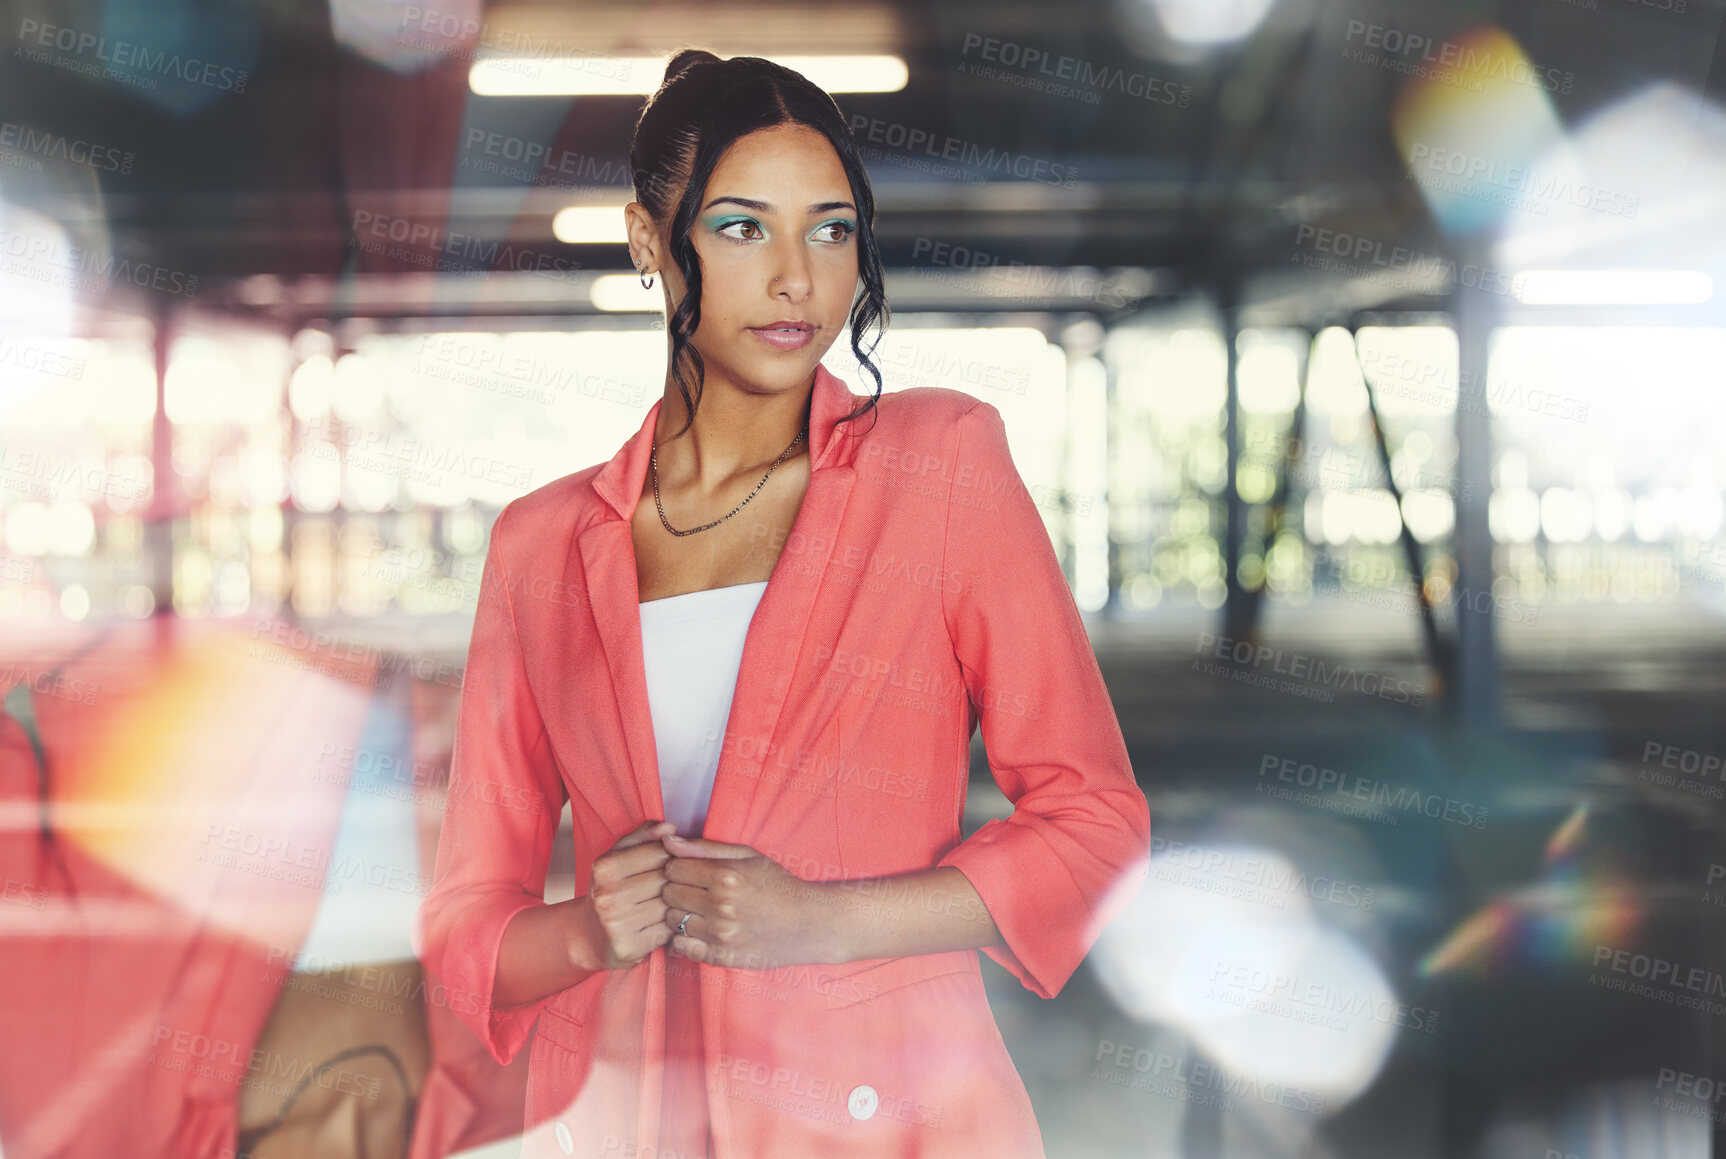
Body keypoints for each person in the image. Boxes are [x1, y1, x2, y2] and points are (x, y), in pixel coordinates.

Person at [417, 48, 1151, 1159]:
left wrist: (818, 921)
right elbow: (469, 925)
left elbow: (1094, 825)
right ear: (646, 244)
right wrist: (582, 933)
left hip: (882, 1110)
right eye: (742, 228)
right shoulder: (542, 546)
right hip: (626, 1112)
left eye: (832, 228)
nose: (799, 279)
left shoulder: (939, 466)